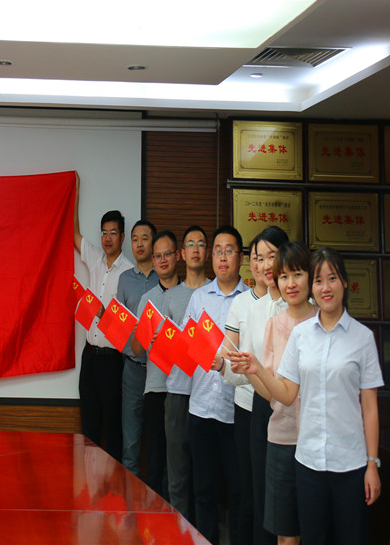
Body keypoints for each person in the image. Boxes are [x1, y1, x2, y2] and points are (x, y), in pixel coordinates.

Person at [230, 247, 382, 544]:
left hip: (350, 463)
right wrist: (256, 369)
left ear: (345, 282)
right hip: (308, 462)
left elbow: (370, 408)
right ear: (313, 287)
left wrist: (372, 463)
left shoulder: (362, 338)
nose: (326, 287)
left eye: (332, 279)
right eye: (319, 281)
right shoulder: (301, 335)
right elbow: (287, 394)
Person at [234, 241, 316, 545]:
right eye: (284, 276)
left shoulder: (324, 320)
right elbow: (274, 394)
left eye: (297, 274)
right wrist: (252, 370)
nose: (290, 283)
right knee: (285, 532)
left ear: (310, 276)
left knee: (316, 529)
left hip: (318, 438)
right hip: (282, 437)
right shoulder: (273, 325)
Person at [221, 226, 289, 545]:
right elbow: (245, 365)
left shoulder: (300, 304)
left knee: (289, 495)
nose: (264, 265)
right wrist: (224, 364)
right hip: (259, 404)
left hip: (294, 407)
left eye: (271, 256)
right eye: (259, 258)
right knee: (258, 494)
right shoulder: (255, 307)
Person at [184, 225, 248, 545]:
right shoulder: (199, 298)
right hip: (200, 407)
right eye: (218, 251)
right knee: (203, 490)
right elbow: (187, 345)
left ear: (241, 257)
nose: (223, 257)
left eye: (229, 251)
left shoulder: (250, 301)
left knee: (237, 492)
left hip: (235, 411)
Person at [74, 173, 133, 460]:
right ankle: (89, 480)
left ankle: (113, 483)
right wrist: (73, 193)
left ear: (122, 236)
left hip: (112, 360)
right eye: (104, 233)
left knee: (112, 425)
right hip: (89, 355)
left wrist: (103, 312)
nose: (107, 238)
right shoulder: (95, 258)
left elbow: (128, 327)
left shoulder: (129, 272)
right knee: (89, 424)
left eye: (113, 233)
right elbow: (73, 234)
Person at [162, 225, 210, 521]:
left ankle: (205, 532)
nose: (195, 249)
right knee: (177, 471)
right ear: (182, 253)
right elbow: (161, 350)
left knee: (207, 473)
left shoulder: (216, 292)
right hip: (178, 392)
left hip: (209, 394)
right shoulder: (170, 296)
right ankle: (178, 531)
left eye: (201, 244)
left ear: (207, 252)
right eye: (190, 244)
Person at [130, 229, 180, 497]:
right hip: (155, 388)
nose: (162, 260)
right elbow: (136, 349)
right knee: (154, 461)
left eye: (167, 254)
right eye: (158, 256)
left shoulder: (192, 294)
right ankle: (154, 517)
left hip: (184, 391)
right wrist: (146, 334)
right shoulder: (146, 299)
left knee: (179, 463)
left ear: (177, 256)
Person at [117, 219, 159, 472]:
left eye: (145, 238)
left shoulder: (164, 277)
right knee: (130, 441)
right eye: (135, 239)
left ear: (153, 242)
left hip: (159, 370)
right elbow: (119, 325)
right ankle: (128, 493)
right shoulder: (124, 279)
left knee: (157, 440)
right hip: (132, 369)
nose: (139, 244)